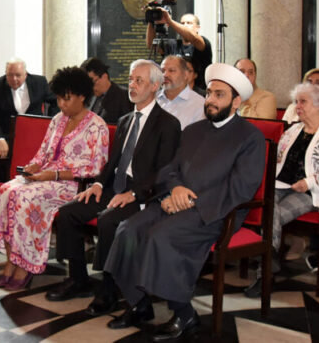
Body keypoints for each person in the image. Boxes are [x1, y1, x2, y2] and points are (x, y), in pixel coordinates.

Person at [104, 63, 264, 341]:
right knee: (127, 230)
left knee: (160, 236)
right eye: (210, 93)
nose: (211, 100)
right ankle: (139, 304)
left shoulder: (250, 137)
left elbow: (240, 188)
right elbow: (169, 169)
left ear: (236, 102)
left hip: (215, 212)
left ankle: (184, 314)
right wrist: (175, 189)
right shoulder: (194, 130)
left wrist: (190, 202)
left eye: (219, 95)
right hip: (171, 201)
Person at [47, 59, 180, 311]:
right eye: (130, 79)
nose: (132, 85)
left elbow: (165, 172)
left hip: (142, 194)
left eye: (139, 81)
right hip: (113, 188)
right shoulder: (126, 120)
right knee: (68, 213)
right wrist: (97, 184)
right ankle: (78, 278)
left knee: (108, 220)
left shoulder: (168, 124)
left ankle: (108, 289)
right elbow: (113, 162)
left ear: (154, 86)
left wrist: (133, 194)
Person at [0, 67, 109, 290]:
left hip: (73, 186)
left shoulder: (97, 126)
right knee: (7, 191)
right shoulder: (57, 120)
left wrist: (52, 174)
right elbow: (43, 152)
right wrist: (33, 167)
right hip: (45, 178)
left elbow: (95, 168)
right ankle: (10, 262)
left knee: (24, 198)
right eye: (59, 99)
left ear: (82, 96)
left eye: (67, 99)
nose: (62, 104)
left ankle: (26, 265)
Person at [245, 82, 319, 298]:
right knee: (266, 207)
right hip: (281, 186)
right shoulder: (292, 131)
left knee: (269, 214)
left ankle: (264, 273)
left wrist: (310, 181)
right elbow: (276, 163)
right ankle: (270, 260)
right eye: (296, 102)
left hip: (311, 192)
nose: (297, 106)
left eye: (303, 102)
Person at [0, 58, 56, 182]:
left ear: (25, 74)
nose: (14, 79)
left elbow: (55, 102)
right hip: (7, 136)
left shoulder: (39, 82)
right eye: (10, 75)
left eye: (18, 75)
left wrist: (49, 124)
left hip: (34, 136)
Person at [145, 9, 213, 90]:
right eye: (182, 23)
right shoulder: (172, 44)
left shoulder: (202, 43)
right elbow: (151, 45)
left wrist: (169, 21)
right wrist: (151, 21)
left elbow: (194, 38)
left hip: (196, 92)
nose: (185, 25)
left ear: (197, 28)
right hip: (173, 92)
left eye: (189, 23)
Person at [156, 55, 205, 129]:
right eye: (162, 71)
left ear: (185, 75)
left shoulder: (199, 104)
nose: (165, 75)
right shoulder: (151, 99)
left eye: (171, 70)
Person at [82, 57, 132, 124]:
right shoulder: (90, 97)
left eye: (93, 82)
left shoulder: (124, 96)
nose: (91, 88)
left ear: (104, 76)